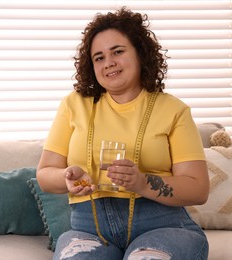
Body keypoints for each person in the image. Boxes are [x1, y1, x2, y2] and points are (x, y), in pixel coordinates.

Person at [36, 7, 209, 260]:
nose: (109, 63)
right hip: (89, 229)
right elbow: (44, 174)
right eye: (99, 57)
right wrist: (66, 177)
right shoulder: (74, 105)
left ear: (140, 53)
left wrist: (142, 182)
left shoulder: (173, 110)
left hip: (162, 225)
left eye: (117, 51)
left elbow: (198, 189)